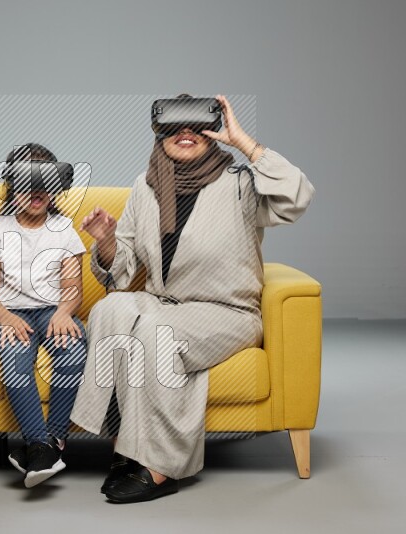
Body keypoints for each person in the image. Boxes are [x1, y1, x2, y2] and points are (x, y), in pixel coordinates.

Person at [70, 94, 316, 503]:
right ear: (158, 134)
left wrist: (244, 142)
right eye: (173, 126)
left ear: (212, 134)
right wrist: (108, 241)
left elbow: (298, 197)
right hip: (165, 302)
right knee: (109, 309)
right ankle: (123, 445)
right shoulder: (145, 187)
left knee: (154, 332)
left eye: (196, 126)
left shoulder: (241, 183)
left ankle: (162, 465)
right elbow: (125, 269)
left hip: (226, 312)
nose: (185, 134)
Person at [0, 143, 88, 488]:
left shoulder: (64, 230)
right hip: (7, 312)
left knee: (74, 348)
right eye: (27, 181)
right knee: (15, 353)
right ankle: (37, 443)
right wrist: (5, 318)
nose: (36, 191)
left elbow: (73, 288)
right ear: (13, 184)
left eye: (44, 182)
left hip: (52, 310)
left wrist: (65, 312)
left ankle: (51, 443)